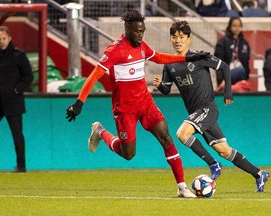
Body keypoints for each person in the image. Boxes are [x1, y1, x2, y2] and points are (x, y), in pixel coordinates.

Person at [66, 10, 208, 198]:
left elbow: (158, 57)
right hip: (125, 110)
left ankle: (182, 187)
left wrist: (187, 58)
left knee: (166, 138)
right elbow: (94, 76)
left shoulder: (141, 46)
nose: (141, 35)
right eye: (137, 31)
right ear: (127, 29)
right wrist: (79, 102)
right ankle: (100, 131)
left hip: (145, 103)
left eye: (143, 31)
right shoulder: (115, 50)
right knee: (128, 154)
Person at [152, 20, 269, 192]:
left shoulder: (199, 57)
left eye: (182, 37)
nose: (178, 40)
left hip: (207, 109)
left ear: (189, 39)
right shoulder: (169, 64)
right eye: (174, 37)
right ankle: (259, 174)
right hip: (197, 115)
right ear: (170, 39)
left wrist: (228, 92)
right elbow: (167, 90)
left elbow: (224, 67)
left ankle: (213, 164)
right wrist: (160, 85)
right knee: (224, 150)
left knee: (182, 134)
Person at [0, 26, 33, 172]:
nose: (1, 41)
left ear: (9, 38)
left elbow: (28, 76)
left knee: (17, 134)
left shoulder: (18, 55)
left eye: (3, 38)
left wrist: (16, 90)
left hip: (13, 101)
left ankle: (21, 165)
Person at [214, 17, 251, 91]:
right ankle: (223, 84)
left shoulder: (244, 43)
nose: (237, 28)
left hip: (241, 77)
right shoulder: (222, 42)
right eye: (234, 26)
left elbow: (246, 62)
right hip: (226, 75)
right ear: (230, 27)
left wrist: (246, 76)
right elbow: (218, 62)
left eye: (239, 26)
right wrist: (220, 79)